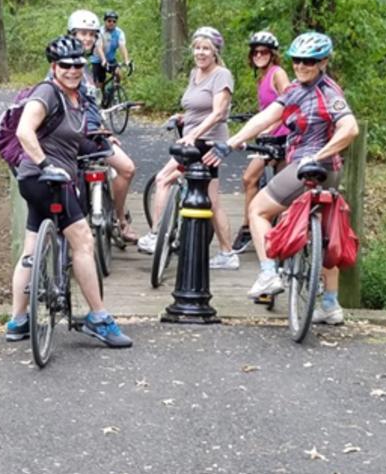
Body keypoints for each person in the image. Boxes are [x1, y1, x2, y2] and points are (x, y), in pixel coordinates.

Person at [203, 32, 359, 324]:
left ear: (324, 61)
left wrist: (317, 155)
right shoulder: (298, 89)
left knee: (258, 209)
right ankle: (330, 304)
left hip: (308, 165)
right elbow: (265, 118)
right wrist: (233, 141)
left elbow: (350, 129)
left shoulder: (328, 92)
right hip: (329, 171)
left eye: (309, 61)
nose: (301, 66)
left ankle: (267, 273)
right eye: (297, 60)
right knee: (325, 235)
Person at [5, 34, 132, 348]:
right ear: (53, 66)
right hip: (47, 179)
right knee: (83, 241)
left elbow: (74, 141)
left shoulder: (76, 99)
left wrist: (100, 144)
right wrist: (45, 163)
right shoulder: (47, 92)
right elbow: (24, 131)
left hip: (40, 181)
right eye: (65, 65)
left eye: (77, 64)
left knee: (31, 248)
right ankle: (98, 318)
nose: (72, 70)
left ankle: (17, 321)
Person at [137, 26, 239, 270]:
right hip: (191, 139)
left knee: (165, 180)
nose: (200, 53)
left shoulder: (221, 75)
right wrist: (183, 117)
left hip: (207, 142)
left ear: (215, 52)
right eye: (197, 48)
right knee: (208, 199)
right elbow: (197, 108)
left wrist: (194, 134)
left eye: (206, 48)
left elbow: (217, 113)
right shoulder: (195, 73)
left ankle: (157, 235)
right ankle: (226, 252)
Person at [64, 9, 139, 242]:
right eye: (82, 34)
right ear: (71, 34)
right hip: (73, 138)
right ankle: (114, 221)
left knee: (127, 168)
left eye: (91, 35)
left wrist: (104, 131)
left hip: (94, 136)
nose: (86, 39)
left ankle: (118, 219)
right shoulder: (67, 64)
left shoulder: (85, 67)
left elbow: (92, 106)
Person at [231, 31, 290, 255]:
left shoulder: (278, 73)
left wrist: (272, 127)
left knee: (257, 180)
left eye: (264, 51)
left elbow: (290, 104)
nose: (259, 55)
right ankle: (252, 228)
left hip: (281, 137)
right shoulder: (262, 76)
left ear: (272, 54)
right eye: (255, 52)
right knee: (252, 180)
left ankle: (262, 231)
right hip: (266, 137)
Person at [92, 10, 131, 88]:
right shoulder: (100, 32)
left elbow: (122, 47)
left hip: (110, 59)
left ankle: (113, 92)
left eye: (114, 21)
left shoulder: (119, 33)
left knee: (118, 74)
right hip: (98, 60)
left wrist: (126, 60)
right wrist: (103, 60)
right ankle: (101, 97)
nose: (111, 23)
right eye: (109, 21)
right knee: (99, 84)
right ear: (105, 21)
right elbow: (99, 47)